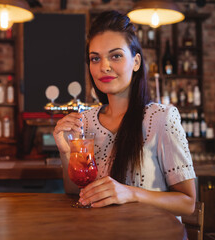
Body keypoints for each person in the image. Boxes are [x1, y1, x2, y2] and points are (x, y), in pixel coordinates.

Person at [53, 10, 196, 216]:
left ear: (136, 62)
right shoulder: (86, 121)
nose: (104, 66)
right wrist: (65, 151)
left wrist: (131, 194)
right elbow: (75, 192)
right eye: (95, 59)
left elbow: (187, 203)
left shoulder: (161, 118)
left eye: (116, 56)